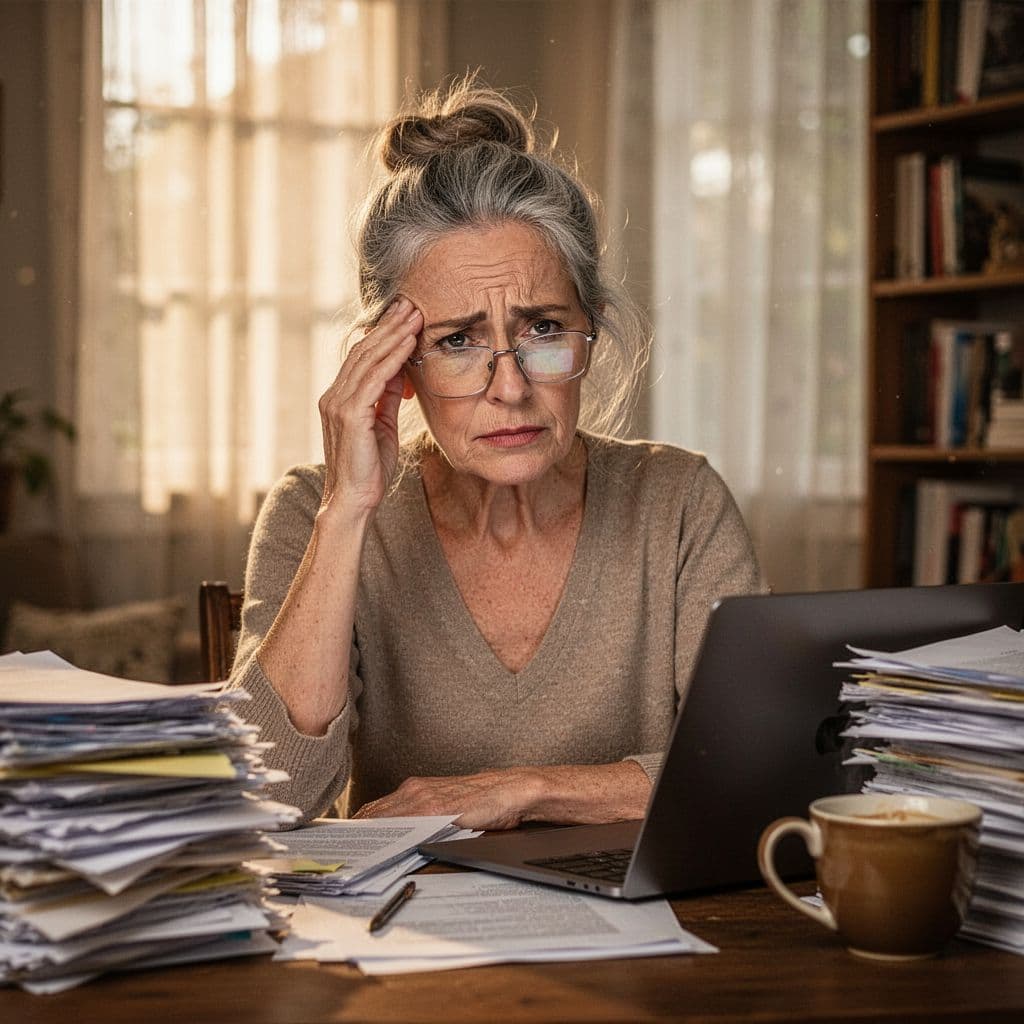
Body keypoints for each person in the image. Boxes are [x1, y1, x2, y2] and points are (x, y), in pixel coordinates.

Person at [230, 78, 764, 828]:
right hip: (411, 906)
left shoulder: (679, 501)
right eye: (457, 341)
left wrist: (524, 790)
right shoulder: (309, 510)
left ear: (590, 331)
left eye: (543, 329)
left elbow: (754, 766)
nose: (509, 387)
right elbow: (265, 797)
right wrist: (346, 513)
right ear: (394, 363)